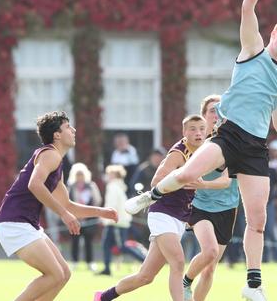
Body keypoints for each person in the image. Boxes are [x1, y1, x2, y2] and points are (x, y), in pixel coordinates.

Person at [124, 0, 277, 301]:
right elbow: (247, 8)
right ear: (273, 34)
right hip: (229, 134)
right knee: (187, 172)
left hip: (255, 147)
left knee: (258, 219)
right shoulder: (253, 50)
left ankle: (252, 284)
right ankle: (149, 197)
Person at [95, 114, 229, 301]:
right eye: (193, 129)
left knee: (145, 276)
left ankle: (103, 297)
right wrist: (183, 180)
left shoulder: (205, 150)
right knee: (178, 262)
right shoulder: (178, 152)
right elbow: (156, 181)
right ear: (184, 132)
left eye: (201, 129)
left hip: (180, 217)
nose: (198, 133)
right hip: (162, 213)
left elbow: (226, 176)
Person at [0, 111, 118, 301]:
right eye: (68, 127)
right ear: (57, 135)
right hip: (15, 223)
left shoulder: (56, 161)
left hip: (26, 224)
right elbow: (34, 185)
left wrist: (101, 212)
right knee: (55, 275)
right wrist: (65, 215)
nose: (74, 130)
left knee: (64, 274)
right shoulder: (50, 154)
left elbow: (67, 205)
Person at [183, 95, 239, 301]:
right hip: (200, 206)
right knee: (210, 251)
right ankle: (185, 281)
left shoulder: (233, 144)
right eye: (211, 111)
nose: (216, 115)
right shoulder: (195, 144)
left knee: (209, 270)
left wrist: (203, 183)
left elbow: (227, 181)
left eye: (220, 110)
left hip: (227, 207)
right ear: (203, 116)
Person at [99, 165, 146, 276]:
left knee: (122, 247)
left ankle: (146, 261)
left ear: (114, 175)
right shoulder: (118, 186)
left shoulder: (113, 186)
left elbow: (112, 204)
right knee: (106, 244)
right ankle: (106, 269)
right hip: (115, 222)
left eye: (109, 174)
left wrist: (106, 217)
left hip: (116, 222)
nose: (107, 176)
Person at [67, 162, 102, 271]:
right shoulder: (71, 187)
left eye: (81, 174)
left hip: (90, 219)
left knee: (88, 241)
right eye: (78, 175)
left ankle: (90, 262)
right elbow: (67, 202)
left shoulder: (91, 186)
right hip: (75, 219)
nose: (80, 177)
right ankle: (74, 261)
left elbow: (97, 200)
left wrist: (88, 212)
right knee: (75, 241)